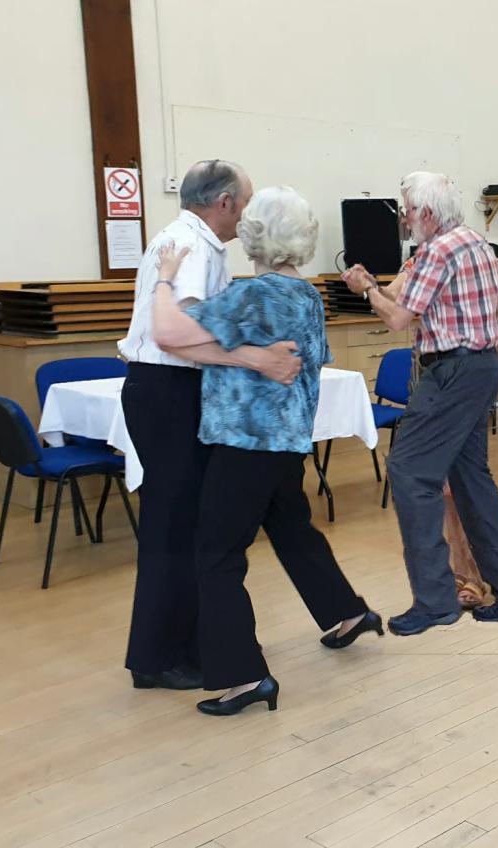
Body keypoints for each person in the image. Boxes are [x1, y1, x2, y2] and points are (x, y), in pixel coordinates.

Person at [152, 186, 382, 715]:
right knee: (292, 531)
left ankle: (243, 675)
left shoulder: (250, 295)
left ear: (253, 234)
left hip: (245, 444)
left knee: (215, 555)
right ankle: (347, 613)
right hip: (285, 442)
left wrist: (165, 277)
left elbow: (166, 332)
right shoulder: (306, 296)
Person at [117, 160, 301, 692]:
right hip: (170, 391)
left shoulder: (187, 239)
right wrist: (256, 359)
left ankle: (168, 648)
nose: (245, 217)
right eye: (243, 205)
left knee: (176, 523)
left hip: (164, 391)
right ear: (223, 203)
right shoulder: (192, 246)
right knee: (175, 527)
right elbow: (176, 334)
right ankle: (161, 656)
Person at [343, 171, 498, 635]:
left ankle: (435, 601)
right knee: (472, 480)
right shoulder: (473, 242)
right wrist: (376, 285)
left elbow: (396, 318)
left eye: (408, 210)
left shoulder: (436, 250)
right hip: (481, 367)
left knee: (409, 471)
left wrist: (367, 291)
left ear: (427, 213)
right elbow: (423, 300)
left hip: (451, 370)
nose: (406, 219)